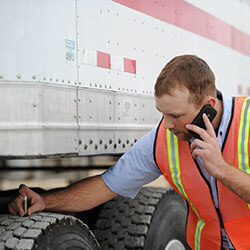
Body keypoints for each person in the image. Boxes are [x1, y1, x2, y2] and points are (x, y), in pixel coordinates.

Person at [8, 55, 250, 250]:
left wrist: (222, 170)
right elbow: (107, 184)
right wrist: (46, 201)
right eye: (162, 113)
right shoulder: (162, 139)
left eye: (175, 116)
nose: (166, 125)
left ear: (207, 108)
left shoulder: (247, 121)